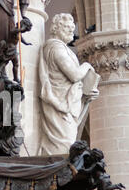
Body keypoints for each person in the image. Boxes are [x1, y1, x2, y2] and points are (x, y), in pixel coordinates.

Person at [39, 13, 99, 154]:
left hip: (66, 104)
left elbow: (70, 83)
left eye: (72, 28)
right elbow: (75, 75)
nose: (71, 31)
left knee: (67, 145)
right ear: (56, 29)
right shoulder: (56, 48)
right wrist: (86, 65)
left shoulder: (62, 49)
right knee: (62, 147)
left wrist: (86, 94)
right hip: (60, 105)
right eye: (67, 28)